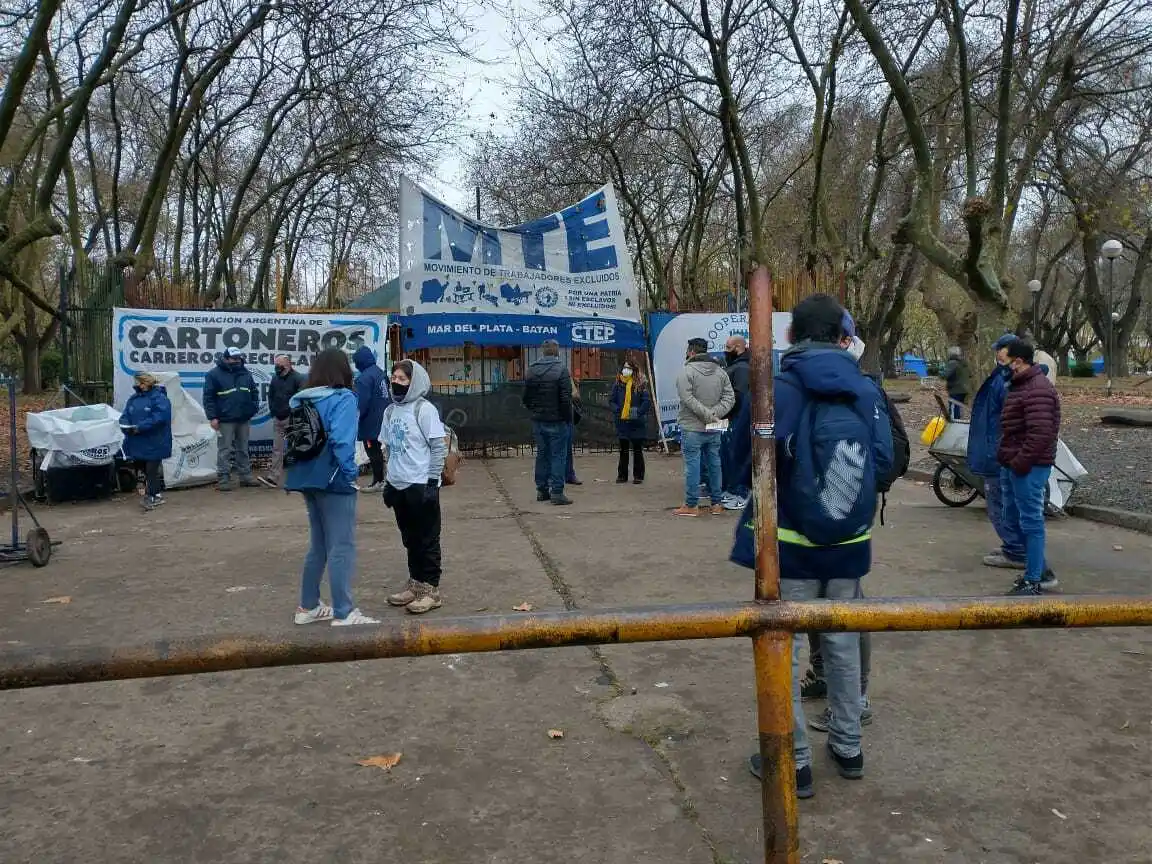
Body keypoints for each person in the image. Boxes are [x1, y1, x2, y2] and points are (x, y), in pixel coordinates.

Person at [734, 294, 893, 797]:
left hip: (789, 542)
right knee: (843, 643)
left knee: (786, 645)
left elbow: (739, 459)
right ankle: (848, 747)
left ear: (788, 337)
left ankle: (794, 761)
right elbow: (887, 462)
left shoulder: (777, 389)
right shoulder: (866, 390)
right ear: (843, 336)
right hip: (850, 541)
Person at [286, 348, 378, 626]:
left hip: (306, 477)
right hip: (334, 478)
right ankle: (344, 611)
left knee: (319, 545)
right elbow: (341, 440)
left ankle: (308, 606)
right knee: (342, 545)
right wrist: (351, 474)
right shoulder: (344, 399)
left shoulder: (302, 400)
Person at [381, 359, 448, 615]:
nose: (396, 382)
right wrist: (389, 481)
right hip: (399, 486)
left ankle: (431, 590)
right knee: (409, 539)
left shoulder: (424, 409)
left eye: (402, 378)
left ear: (414, 382)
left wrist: (432, 482)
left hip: (420, 484)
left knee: (427, 539)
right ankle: (415, 583)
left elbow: (438, 446)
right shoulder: (390, 411)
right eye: (394, 377)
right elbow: (387, 447)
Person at [997, 340, 1061, 596]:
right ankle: (1041, 571)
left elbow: (1041, 433)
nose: (1000, 366)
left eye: (1003, 361)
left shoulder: (1037, 389)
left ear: (1018, 361)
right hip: (1017, 464)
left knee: (1030, 522)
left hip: (1030, 467)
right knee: (1014, 520)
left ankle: (1034, 579)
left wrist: (1019, 463)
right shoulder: (1021, 386)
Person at [967, 335, 1031, 574]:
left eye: (1002, 349)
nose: (998, 353)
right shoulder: (1001, 376)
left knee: (1000, 502)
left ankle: (1016, 550)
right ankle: (1013, 547)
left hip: (1000, 451)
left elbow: (1011, 417)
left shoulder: (1006, 381)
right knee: (1001, 501)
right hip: (997, 447)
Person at [674, 337, 734, 516]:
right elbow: (729, 398)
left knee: (693, 466)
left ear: (691, 352)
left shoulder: (686, 372)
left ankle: (691, 505)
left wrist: (708, 415)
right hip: (715, 426)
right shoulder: (721, 372)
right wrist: (715, 414)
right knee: (715, 463)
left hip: (692, 427)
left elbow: (687, 399)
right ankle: (717, 503)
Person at [523, 340, 574, 506]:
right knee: (558, 456)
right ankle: (557, 492)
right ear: (557, 352)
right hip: (558, 420)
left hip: (538, 420)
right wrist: (567, 418)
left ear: (543, 352)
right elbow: (566, 399)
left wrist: (535, 410)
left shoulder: (531, 370)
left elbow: (526, 398)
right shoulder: (562, 370)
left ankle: (542, 490)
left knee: (542, 454)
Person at [203, 347, 259, 491]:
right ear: (225, 358)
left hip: (243, 418)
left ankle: (245, 477)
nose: (237, 361)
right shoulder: (213, 374)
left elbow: (254, 392)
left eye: (238, 358)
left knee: (243, 449)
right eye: (234, 358)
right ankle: (223, 479)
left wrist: (253, 408)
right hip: (225, 419)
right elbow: (208, 398)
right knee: (225, 450)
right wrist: (213, 417)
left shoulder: (245, 373)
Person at [119, 372, 172, 511]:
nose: (137, 384)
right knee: (143, 468)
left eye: (140, 382)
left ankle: (152, 497)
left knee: (151, 469)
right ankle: (156, 493)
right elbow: (125, 415)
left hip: (155, 440)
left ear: (147, 383)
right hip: (138, 441)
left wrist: (140, 427)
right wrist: (125, 426)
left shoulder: (160, 398)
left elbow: (160, 417)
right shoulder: (133, 399)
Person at [261, 354, 305, 488]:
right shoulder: (275, 378)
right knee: (277, 449)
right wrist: (273, 411)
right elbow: (271, 396)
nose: (276, 367)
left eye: (278, 365)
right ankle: (273, 478)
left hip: (292, 419)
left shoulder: (298, 378)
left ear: (287, 364)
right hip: (278, 419)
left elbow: (301, 399)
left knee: (295, 449)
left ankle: (297, 478)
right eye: (275, 364)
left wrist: (292, 414)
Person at [353, 346, 390, 492]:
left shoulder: (363, 378)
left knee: (372, 450)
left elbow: (362, 402)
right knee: (382, 451)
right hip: (384, 416)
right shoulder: (380, 373)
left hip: (370, 421)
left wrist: (356, 417)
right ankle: (384, 479)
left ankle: (378, 481)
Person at [609, 358, 650, 483]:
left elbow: (646, 401)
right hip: (622, 421)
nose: (625, 370)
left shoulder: (641, 383)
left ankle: (638, 476)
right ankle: (622, 475)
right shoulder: (618, 383)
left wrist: (637, 412)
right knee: (623, 449)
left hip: (636, 421)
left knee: (637, 450)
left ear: (634, 370)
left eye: (628, 368)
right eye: (624, 368)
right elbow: (612, 400)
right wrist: (618, 410)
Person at [721, 336, 751, 510]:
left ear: (738, 348)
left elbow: (738, 396)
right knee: (729, 456)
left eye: (728, 347)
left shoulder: (741, 368)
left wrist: (725, 413)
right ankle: (732, 490)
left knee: (736, 456)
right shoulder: (736, 366)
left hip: (736, 418)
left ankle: (740, 493)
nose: (725, 350)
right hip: (733, 418)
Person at [943, 346, 971, 419]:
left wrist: (941, 373)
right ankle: (959, 421)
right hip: (964, 389)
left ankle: (954, 424)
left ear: (950, 354)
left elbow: (945, 375)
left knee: (953, 407)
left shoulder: (952, 362)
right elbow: (970, 374)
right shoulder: (963, 362)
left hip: (955, 389)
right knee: (959, 406)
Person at [566, 384, 583, 486]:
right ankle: (567, 475)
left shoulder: (565, 376)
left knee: (567, 448)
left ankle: (569, 475)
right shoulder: (564, 375)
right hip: (561, 414)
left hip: (566, 414)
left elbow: (576, 395)